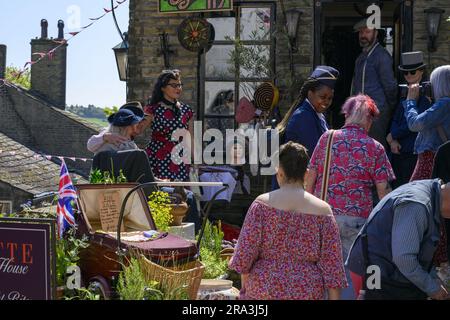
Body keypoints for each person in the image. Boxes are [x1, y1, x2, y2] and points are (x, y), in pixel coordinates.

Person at [229, 142, 348, 300]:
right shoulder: (323, 211)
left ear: (279, 173)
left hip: (264, 288)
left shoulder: (261, 205)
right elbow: (333, 267)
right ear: (306, 174)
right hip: (307, 291)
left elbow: (244, 256)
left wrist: (246, 289)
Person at [306, 94, 395, 299]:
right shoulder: (376, 147)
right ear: (369, 119)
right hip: (358, 220)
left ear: (347, 115)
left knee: (322, 271)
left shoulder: (326, 138)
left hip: (324, 216)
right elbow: (383, 191)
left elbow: (310, 176)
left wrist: (306, 208)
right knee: (349, 274)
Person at [346, 179, 450, 300]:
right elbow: (404, 258)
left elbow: (421, 252)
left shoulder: (432, 192)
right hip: (375, 268)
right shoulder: (417, 205)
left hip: (383, 268)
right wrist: (432, 287)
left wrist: (432, 278)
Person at [272, 65, 339, 190]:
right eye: (322, 97)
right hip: (293, 186)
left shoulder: (316, 115)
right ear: (310, 93)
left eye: (330, 98)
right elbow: (316, 154)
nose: (326, 102)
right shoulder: (303, 117)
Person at [387, 51, 432, 188]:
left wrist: (393, 135)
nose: (408, 76)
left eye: (412, 72)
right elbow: (395, 118)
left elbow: (415, 123)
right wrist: (393, 140)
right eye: (405, 73)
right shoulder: (403, 92)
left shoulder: (426, 96)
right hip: (398, 151)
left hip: (413, 151)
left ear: (421, 71)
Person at [352, 18, 398, 150]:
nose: (363, 35)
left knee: (375, 150)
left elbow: (390, 87)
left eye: (367, 31)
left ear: (376, 33)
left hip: (376, 115)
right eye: (361, 32)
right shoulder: (361, 57)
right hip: (360, 114)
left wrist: (388, 111)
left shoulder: (381, 56)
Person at [144, 69, 195, 181]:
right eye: (173, 85)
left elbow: (190, 138)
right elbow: (136, 129)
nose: (178, 88)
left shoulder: (187, 110)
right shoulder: (152, 109)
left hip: (180, 159)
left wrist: (196, 161)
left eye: (179, 85)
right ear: (162, 87)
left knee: (182, 194)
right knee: (162, 194)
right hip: (158, 158)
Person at [404, 65, 450, 181]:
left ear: (439, 84)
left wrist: (410, 101)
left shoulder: (445, 103)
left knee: (417, 196)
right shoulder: (443, 104)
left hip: (431, 159)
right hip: (439, 159)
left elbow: (414, 124)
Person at [86, 101, 151, 153]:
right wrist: (105, 137)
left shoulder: (130, 140)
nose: (140, 123)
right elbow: (90, 145)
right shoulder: (109, 134)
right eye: (137, 121)